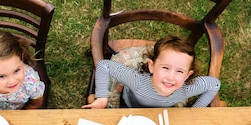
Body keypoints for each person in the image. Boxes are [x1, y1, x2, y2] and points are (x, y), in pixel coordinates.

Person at [83, 35, 220, 109]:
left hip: (160, 117)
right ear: (152, 66)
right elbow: (104, 65)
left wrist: (195, 111)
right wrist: (102, 98)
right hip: (129, 107)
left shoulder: (186, 89)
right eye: (165, 68)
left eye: (179, 71)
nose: (171, 77)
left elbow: (214, 84)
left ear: (187, 75)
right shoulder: (137, 81)